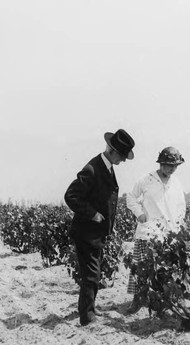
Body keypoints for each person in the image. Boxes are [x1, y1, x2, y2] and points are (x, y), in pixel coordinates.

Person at [64, 129, 135, 326]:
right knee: (91, 275)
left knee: (93, 274)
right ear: (112, 151)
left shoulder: (108, 168)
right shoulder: (92, 169)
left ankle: (90, 309)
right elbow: (71, 196)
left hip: (97, 233)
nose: (123, 160)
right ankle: (87, 317)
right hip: (86, 233)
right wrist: (93, 214)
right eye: (122, 156)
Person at [125, 146, 186, 314]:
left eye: (175, 166)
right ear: (161, 163)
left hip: (168, 235)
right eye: (169, 165)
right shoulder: (146, 180)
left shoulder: (176, 183)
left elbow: (182, 206)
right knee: (141, 270)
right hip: (147, 232)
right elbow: (130, 197)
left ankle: (164, 300)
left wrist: (178, 225)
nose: (172, 169)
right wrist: (139, 213)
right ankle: (137, 301)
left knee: (166, 271)